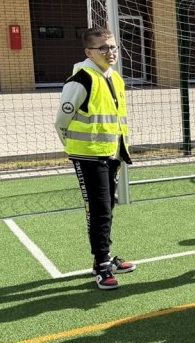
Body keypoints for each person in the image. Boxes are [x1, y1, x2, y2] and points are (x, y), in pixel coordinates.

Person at [55, 27, 136, 290]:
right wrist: (76, 148)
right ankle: (101, 264)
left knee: (107, 207)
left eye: (113, 47)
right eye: (103, 48)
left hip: (112, 153)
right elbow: (61, 122)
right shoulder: (81, 79)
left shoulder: (115, 77)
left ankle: (104, 256)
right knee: (99, 209)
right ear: (89, 52)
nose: (110, 52)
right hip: (89, 156)